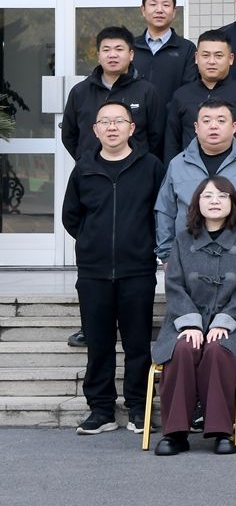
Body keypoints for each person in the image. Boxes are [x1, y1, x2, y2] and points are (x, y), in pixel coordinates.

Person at [63, 101, 162, 435]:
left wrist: (144, 244)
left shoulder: (150, 166)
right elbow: (71, 215)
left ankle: (138, 408)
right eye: (104, 121)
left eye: (119, 121)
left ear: (131, 128)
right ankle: (101, 410)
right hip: (94, 271)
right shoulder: (84, 167)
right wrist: (92, 241)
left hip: (138, 270)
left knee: (137, 345)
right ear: (95, 130)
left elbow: (160, 212)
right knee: (98, 344)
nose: (112, 127)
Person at [149, 177, 236, 456]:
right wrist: (190, 323)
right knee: (183, 349)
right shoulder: (182, 240)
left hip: (235, 324)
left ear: (232, 203)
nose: (215, 201)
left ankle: (221, 431)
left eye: (222, 196)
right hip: (184, 321)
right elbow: (174, 286)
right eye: (208, 196)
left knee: (217, 349)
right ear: (197, 202)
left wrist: (223, 322)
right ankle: (175, 433)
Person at [154, 100, 236, 269]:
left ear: (234, 127)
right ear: (196, 127)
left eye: (221, 120)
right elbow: (165, 211)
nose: (213, 126)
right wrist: (167, 257)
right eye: (206, 121)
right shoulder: (178, 165)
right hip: (188, 261)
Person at [63, 26, 161, 162]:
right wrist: (84, 161)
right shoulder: (80, 91)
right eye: (106, 50)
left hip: (136, 170)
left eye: (119, 49)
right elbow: (69, 135)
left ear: (131, 55)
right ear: (98, 56)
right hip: (91, 170)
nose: (112, 55)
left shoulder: (146, 91)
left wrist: (142, 165)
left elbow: (156, 136)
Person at [165, 29, 236, 159]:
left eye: (218, 56)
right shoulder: (181, 95)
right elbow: (172, 143)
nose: (211, 61)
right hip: (190, 168)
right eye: (205, 55)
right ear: (196, 58)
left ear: (230, 59)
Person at [130, 0, 198, 129]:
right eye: (153, 4)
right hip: (133, 125)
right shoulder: (130, 47)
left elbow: (189, 90)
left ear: (174, 12)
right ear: (143, 10)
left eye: (166, 5)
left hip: (172, 124)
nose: (159, 10)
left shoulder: (187, 49)